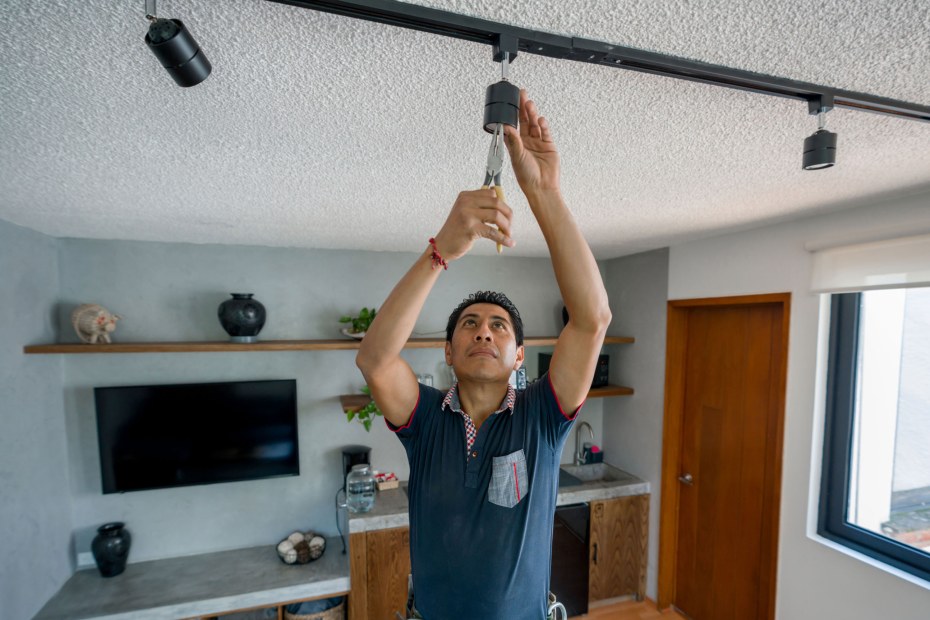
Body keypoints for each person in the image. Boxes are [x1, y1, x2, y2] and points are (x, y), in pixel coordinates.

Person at [356, 89, 611, 620]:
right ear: (450, 353)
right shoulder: (424, 419)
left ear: (520, 357)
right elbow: (376, 361)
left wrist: (542, 191)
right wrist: (440, 252)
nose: (484, 333)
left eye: (500, 328)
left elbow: (591, 320)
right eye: (469, 325)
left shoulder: (543, 417)